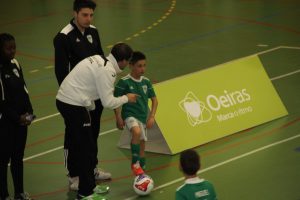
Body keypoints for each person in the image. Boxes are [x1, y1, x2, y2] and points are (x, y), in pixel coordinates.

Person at [56, 43, 138, 199]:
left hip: (70, 101)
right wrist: (127, 98)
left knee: (83, 144)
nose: (127, 65)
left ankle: (87, 185)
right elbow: (108, 102)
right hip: (72, 104)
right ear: (123, 61)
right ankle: (85, 192)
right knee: (86, 147)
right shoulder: (108, 71)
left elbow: (90, 87)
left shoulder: (100, 59)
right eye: (128, 62)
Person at [53, 0, 110, 190]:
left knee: (92, 134)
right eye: (85, 15)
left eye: (91, 15)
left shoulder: (93, 32)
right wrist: (74, 99)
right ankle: (74, 175)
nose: (88, 19)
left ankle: (90, 168)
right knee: (74, 135)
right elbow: (61, 73)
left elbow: (102, 60)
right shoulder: (63, 37)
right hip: (75, 100)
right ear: (75, 13)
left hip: (95, 97)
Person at [0, 33, 34, 200]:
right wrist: (17, 118)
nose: (13, 51)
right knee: (3, 160)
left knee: (18, 158)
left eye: (14, 47)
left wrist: (29, 112)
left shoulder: (16, 64)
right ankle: (3, 194)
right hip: (5, 124)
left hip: (21, 122)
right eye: (8, 48)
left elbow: (24, 89)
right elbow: (1, 102)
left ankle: (19, 192)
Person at [114, 51, 158, 176]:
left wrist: (152, 117)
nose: (142, 69)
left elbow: (155, 100)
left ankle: (141, 174)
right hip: (129, 115)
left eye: (144, 65)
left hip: (142, 117)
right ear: (131, 65)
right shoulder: (124, 82)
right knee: (136, 132)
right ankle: (134, 163)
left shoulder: (146, 82)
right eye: (139, 66)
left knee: (142, 148)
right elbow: (115, 101)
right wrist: (118, 117)